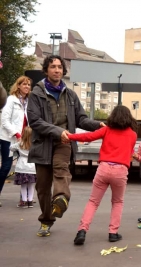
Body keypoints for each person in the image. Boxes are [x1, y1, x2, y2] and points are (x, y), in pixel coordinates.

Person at [27, 55, 105, 237]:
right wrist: (56, 131)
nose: (57, 70)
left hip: (65, 141)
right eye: (53, 67)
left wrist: (97, 125)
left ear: (64, 70)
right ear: (46, 70)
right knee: (43, 186)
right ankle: (47, 219)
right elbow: (34, 121)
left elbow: (81, 119)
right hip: (43, 143)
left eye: (60, 67)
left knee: (61, 169)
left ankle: (61, 198)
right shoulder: (36, 94)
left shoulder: (70, 94)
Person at [67, 105, 138, 245]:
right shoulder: (133, 134)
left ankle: (82, 230)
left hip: (104, 168)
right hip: (120, 170)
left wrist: (69, 136)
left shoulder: (106, 130)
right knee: (117, 202)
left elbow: (88, 136)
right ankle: (113, 232)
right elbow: (129, 152)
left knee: (93, 202)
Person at [0, 75, 31, 207]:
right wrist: (16, 133)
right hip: (9, 138)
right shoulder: (11, 100)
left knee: (25, 168)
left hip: (24, 139)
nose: (27, 87)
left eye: (29, 85)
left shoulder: (29, 101)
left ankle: (24, 198)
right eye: (24, 84)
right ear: (18, 86)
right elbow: (5, 121)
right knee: (6, 166)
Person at [10, 126, 36, 208]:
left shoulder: (19, 144)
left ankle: (24, 201)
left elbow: (11, 148)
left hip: (22, 167)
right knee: (31, 185)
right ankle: (30, 201)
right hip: (32, 167)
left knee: (23, 185)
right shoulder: (34, 144)